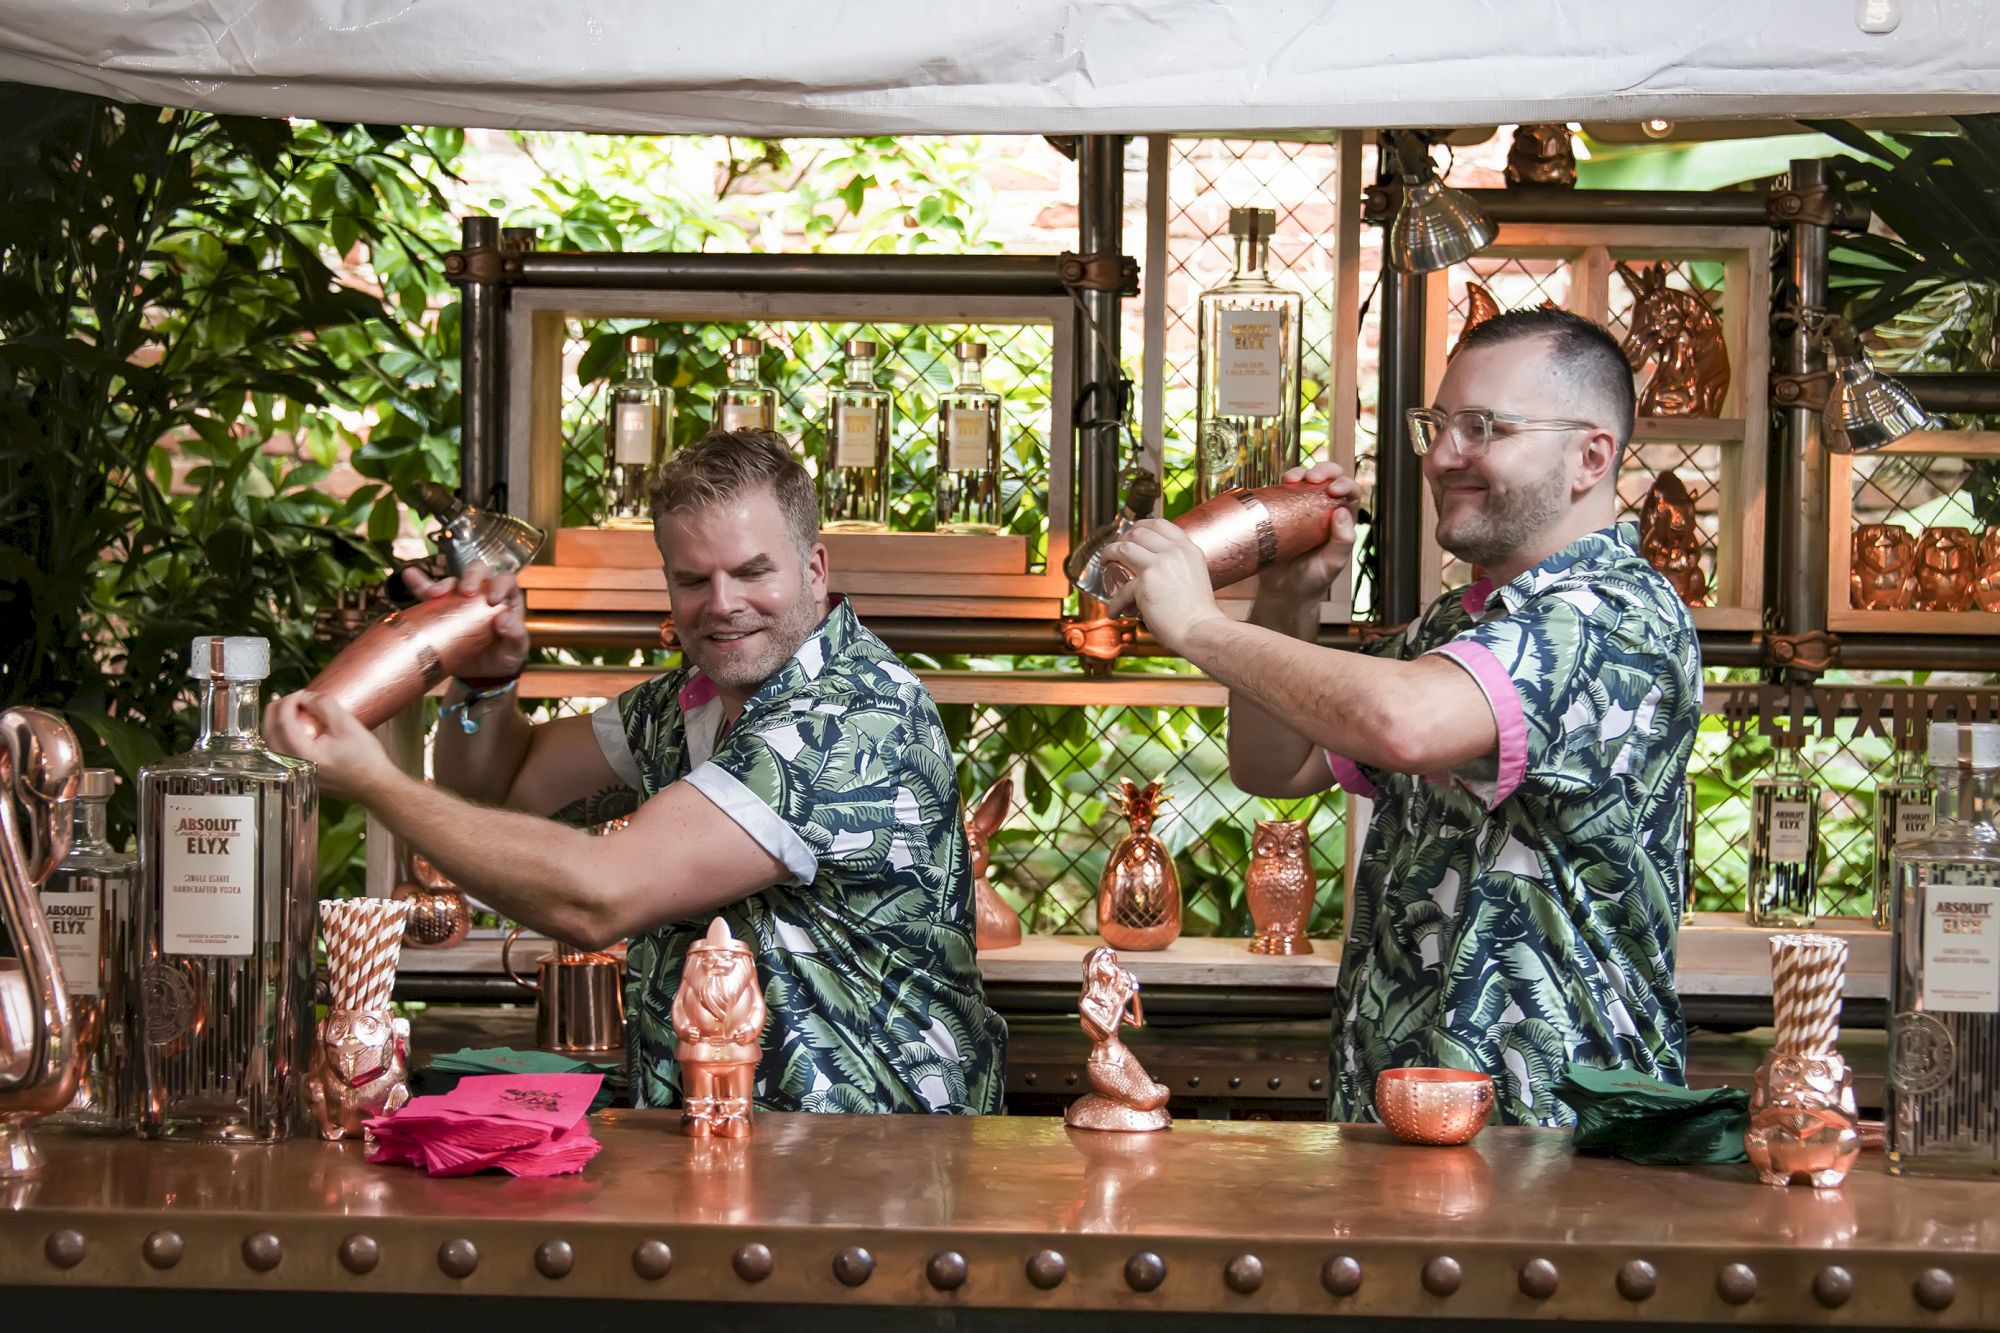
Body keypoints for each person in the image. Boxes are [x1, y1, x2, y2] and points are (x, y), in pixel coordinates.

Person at [267, 429, 1007, 1116]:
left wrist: (377, 782)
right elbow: (500, 787)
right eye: (693, 579)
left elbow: (598, 897)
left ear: (815, 571)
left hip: (880, 1172)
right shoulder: (685, 701)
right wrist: (484, 687)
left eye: (753, 572)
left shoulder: (849, 719)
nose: (723, 606)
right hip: (735, 1159)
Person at [1103, 308, 1699, 1126]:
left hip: (1557, 1145)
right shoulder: (1459, 627)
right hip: (1402, 1124)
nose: (1444, 454)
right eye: (1439, 424)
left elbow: (1406, 723)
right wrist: (1287, 596)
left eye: (1483, 427)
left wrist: (1202, 626)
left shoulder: (1614, 615)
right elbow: (1277, 766)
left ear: (1589, 455)